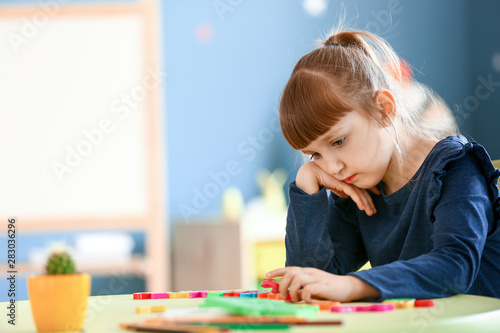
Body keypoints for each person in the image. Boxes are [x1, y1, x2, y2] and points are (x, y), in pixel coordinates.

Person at [265, 28, 500, 303]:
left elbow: (454, 268)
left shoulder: (456, 167)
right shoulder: (358, 187)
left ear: (384, 109)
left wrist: (352, 286)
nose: (332, 168)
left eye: (338, 141)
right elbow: (312, 280)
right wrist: (307, 186)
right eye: (314, 154)